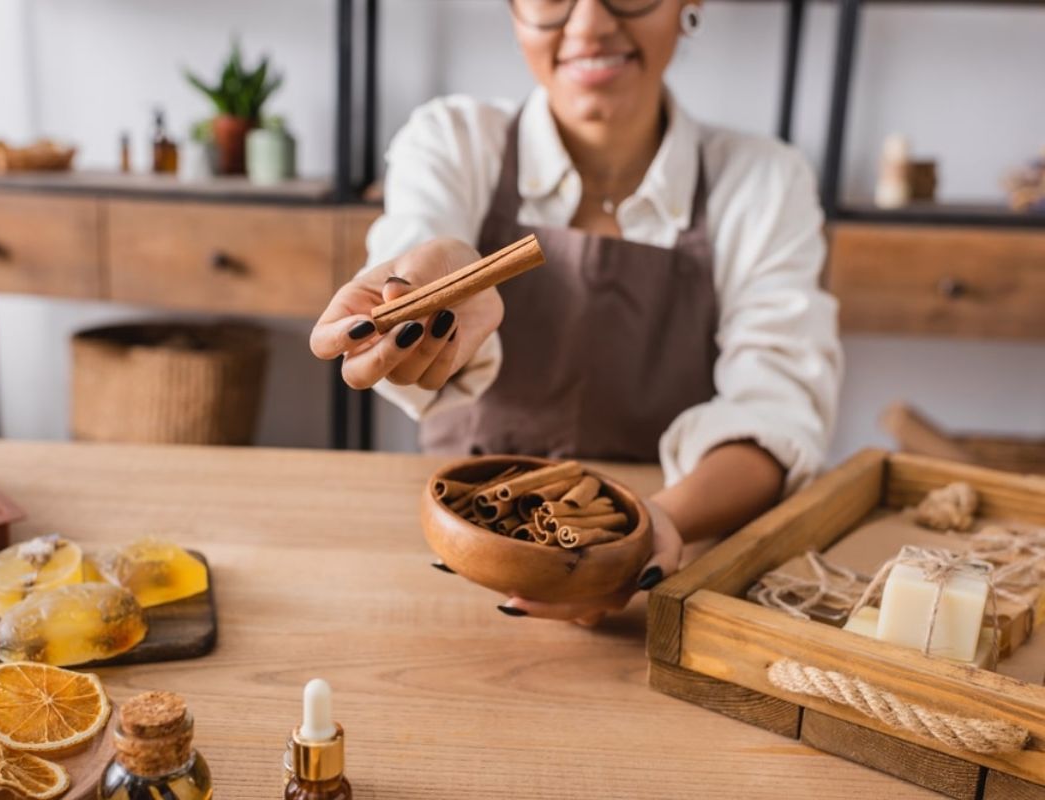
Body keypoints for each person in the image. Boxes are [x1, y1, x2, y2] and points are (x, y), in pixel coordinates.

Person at [310, 0, 842, 624]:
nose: (588, 24)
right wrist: (431, 275)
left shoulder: (764, 182)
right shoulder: (453, 140)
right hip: (455, 573)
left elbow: (778, 411)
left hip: (671, 582)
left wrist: (656, 525)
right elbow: (418, 233)